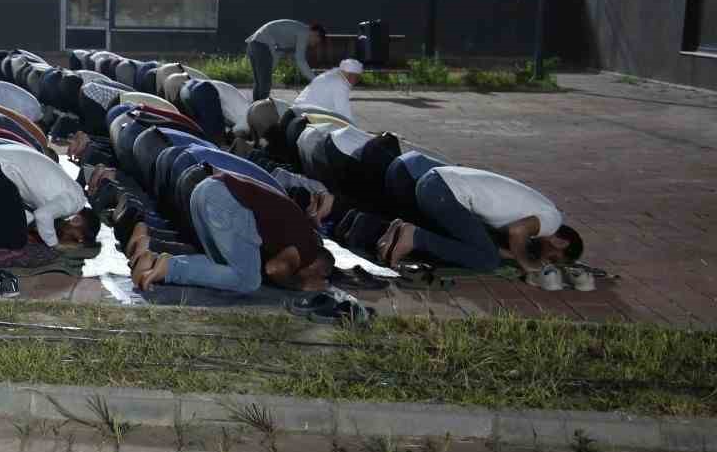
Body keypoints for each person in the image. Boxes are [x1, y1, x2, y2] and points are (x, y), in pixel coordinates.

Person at [131, 171, 334, 295]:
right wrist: (302, 285)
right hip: (225, 201)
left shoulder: (297, 230)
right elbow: (275, 269)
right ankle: (170, 268)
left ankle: (153, 260)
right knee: (248, 280)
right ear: (319, 268)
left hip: (205, 189)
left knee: (225, 268)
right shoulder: (308, 249)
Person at [378, 166, 584, 276]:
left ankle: (400, 228)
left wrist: (515, 257)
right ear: (560, 242)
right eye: (554, 258)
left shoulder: (539, 214)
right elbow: (517, 232)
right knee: (487, 261)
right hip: (442, 192)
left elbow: (489, 243)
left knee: (484, 252)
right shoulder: (552, 221)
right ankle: (415, 237)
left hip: (433, 184)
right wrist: (528, 265)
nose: (547, 261)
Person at [245, 20, 324, 101]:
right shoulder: (304, 32)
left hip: (253, 44)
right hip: (261, 45)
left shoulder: (293, 32)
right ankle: (260, 110)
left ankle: (255, 109)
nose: (314, 45)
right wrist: (316, 80)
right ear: (316, 34)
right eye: (316, 42)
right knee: (264, 85)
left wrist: (269, 71)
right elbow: (301, 60)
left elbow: (278, 52)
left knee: (259, 83)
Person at [295, 58, 363, 121]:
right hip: (307, 116)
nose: (356, 81)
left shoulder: (331, 75)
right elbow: (344, 112)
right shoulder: (340, 84)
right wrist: (358, 131)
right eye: (357, 77)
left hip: (298, 110)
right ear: (350, 75)